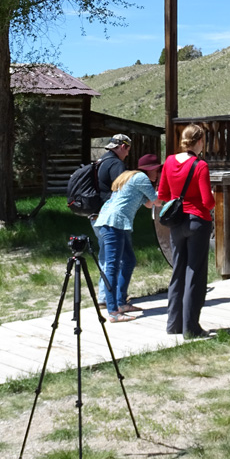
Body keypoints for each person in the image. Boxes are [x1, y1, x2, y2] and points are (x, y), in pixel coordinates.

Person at [158, 123, 215, 338]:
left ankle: (174, 324)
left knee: (178, 271)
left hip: (177, 222)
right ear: (199, 141)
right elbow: (207, 201)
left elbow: (163, 195)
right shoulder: (200, 165)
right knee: (195, 274)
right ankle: (191, 328)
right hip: (197, 221)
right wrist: (212, 199)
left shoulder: (169, 161)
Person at [94, 154, 161, 323]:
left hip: (114, 223)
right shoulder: (141, 178)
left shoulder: (133, 177)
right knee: (112, 267)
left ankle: (121, 302)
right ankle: (113, 311)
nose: (158, 173)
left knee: (129, 261)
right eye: (157, 170)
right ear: (150, 169)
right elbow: (157, 201)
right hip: (114, 223)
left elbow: (149, 204)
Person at [89, 134, 132, 307]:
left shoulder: (100, 162)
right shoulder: (116, 164)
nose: (127, 154)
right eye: (127, 149)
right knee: (120, 259)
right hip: (111, 219)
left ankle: (103, 296)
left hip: (95, 215)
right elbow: (123, 191)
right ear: (122, 146)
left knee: (106, 257)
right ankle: (113, 299)